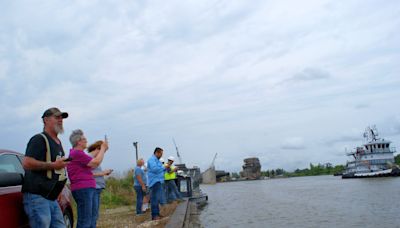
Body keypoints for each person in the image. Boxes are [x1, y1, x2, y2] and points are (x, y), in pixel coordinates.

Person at [22, 107, 70, 228]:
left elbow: (58, 170)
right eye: (57, 117)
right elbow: (27, 163)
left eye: (61, 118)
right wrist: (53, 165)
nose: (60, 120)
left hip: (51, 197)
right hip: (37, 196)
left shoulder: (58, 142)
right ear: (46, 120)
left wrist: (58, 190)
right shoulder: (39, 139)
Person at [67, 130, 108, 228]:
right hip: (83, 189)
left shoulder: (78, 154)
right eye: (84, 139)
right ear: (78, 142)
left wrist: (101, 150)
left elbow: (94, 162)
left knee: (88, 219)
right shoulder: (77, 153)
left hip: (85, 188)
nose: (86, 141)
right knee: (85, 220)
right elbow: (96, 162)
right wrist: (102, 148)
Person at [88, 141, 113, 227]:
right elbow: (87, 173)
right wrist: (103, 173)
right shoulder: (89, 157)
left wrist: (104, 172)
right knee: (92, 215)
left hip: (97, 188)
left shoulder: (93, 158)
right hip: (93, 188)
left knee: (94, 214)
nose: (103, 154)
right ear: (98, 148)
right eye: (103, 151)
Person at [147, 147, 166, 220]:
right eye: (161, 154)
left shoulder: (157, 161)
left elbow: (161, 169)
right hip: (154, 182)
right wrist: (163, 167)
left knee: (156, 199)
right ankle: (154, 216)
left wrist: (165, 168)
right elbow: (155, 169)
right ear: (157, 153)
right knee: (154, 199)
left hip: (158, 181)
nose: (161, 155)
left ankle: (157, 214)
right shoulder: (152, 160)